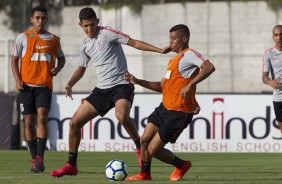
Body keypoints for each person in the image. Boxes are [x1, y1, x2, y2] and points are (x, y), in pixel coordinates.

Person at [50, 7, 170, 178]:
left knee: (121, 115)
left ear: (97, 21)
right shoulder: (85, 45)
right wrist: (69, 84)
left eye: (92, 25)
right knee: (74, 123)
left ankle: (138, 146)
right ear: (80, 25)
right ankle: (71, 165)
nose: (89, 29)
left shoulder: (108, 33)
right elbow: (81, 68)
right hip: (102, 90)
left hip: (122, 85)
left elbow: (133, 42)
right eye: (85, 26)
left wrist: (159, 50)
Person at [124, 24, 215, 181]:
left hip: (178, 112)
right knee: (144, 141)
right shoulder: (174, 60)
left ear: (184, 39)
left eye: (173, 39)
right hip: (164, 107)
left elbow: (209, 67)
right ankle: (144, 174)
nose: (170, 42)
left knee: (153, 149)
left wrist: (190, 84)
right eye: (170, 39)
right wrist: (137, 81)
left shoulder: (190, 54)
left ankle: (182, 165)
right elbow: (161, 87)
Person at [11, 6, 66, 173]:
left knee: (42, 118)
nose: (40, 21)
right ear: (32, 20)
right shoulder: (22, 38)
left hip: (44, 86)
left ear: (47, 20)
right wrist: (17, 79)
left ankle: (41, 158)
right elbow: (14, 61)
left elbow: (62, 59)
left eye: (43, 18)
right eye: (37, 18)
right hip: (26, 87)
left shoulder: (54, 39)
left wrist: (58, 68)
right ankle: (34, 159)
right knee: (28, 122)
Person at [262, 25, 282, 134]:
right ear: (273, 37)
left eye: (281, 34)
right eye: (276, 35)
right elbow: (264, 76)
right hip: (279, 97)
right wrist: (270, 82)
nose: (279, 37)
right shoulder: (269, 53)